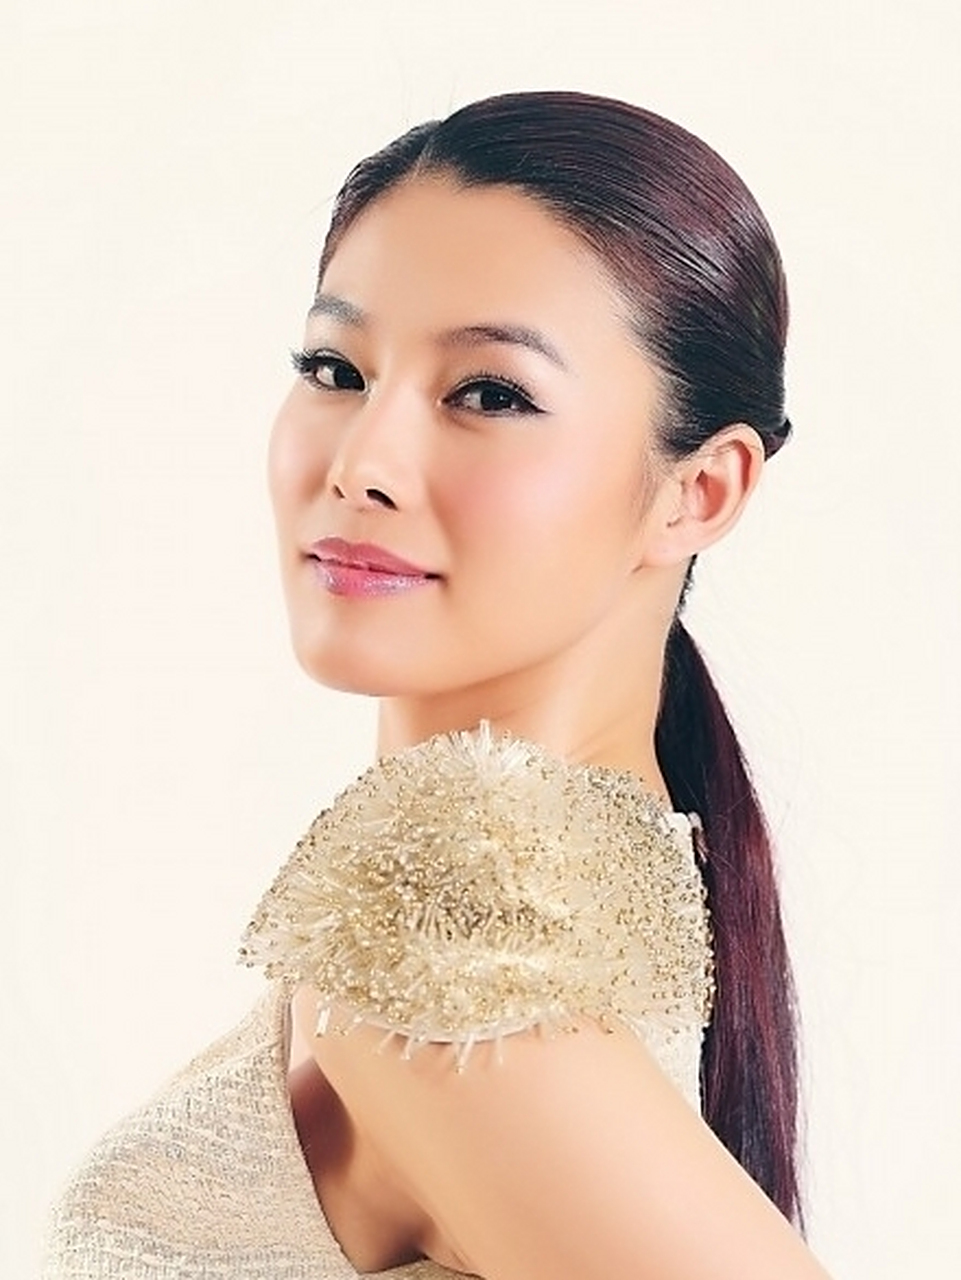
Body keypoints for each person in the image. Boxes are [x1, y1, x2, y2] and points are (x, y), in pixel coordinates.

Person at [44, 91, 832, 1278]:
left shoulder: (441, 926)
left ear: (698, 491)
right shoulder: (588, 886)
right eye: (336, 367)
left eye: (490, 393)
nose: (362, 463)